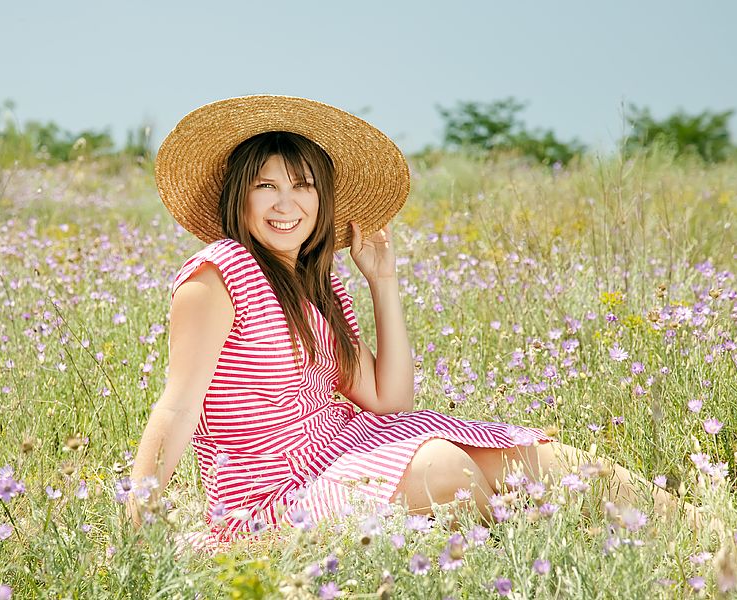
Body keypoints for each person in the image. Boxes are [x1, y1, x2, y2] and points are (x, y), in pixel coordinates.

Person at [127, 95, 694, 553]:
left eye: (304, 186)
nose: (287, 204)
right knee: (447, 469)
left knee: (550, 462)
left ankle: (712, 539)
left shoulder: (315, 284)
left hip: (343, 446)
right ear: (239, 196)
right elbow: (179, 406)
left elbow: (386, 399)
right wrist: (141, 525)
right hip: (269, 493)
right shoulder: (216, 275)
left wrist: (382, 283)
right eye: (267, 185)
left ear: (322, 201)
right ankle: (540, 551)